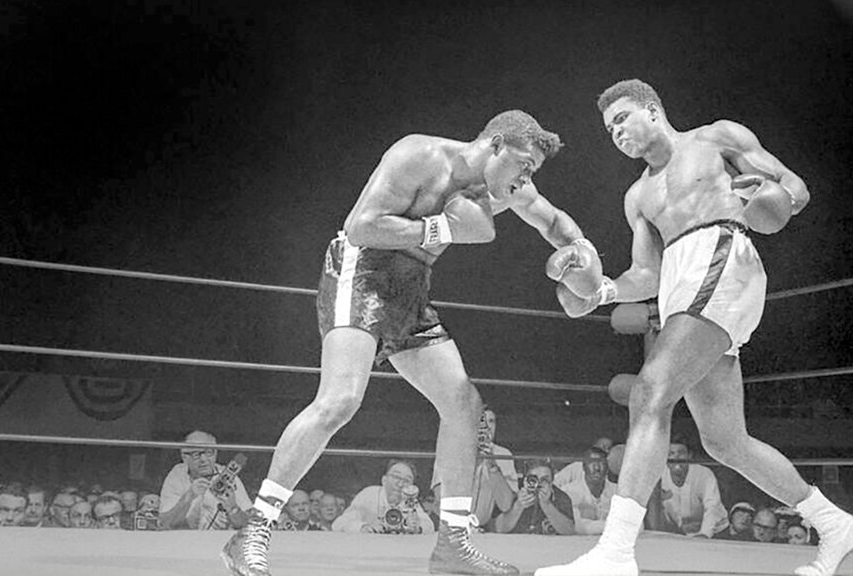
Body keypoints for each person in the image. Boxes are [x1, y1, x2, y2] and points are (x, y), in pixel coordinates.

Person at [223, 109, 598, 576]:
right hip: (363, 273)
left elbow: (553, 221)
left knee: (463, 402)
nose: (525, 178)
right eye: (523, 164)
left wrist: (582, 250)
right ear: (496, 145)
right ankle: (252, 531)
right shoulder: (419, 155)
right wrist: (442, 228)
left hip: (412, 287)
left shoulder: (506, 190)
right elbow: (361, 225)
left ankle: (453, 545)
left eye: (533, 171)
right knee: (340, 400)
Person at [536, 79, 853, 576]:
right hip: (678, 286)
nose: (617, 133)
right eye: (609, 129)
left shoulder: (715, 138)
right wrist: (599, 292)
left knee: (650, 392)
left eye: (622, 118)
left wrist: (770, 198)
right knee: (724, 440)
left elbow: (794, 188)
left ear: (652, 109)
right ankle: (834, 523)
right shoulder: (637, 196)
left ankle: (615, 552)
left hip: (722, 259)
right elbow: (645, 275)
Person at [160, 430, 252, 530]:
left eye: (209, 452)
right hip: (185, 538)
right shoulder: (177, 474)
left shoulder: (229, 477)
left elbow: (250, 525)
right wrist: (189, 496)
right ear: (184, 457)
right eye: (196, 454)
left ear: (216, 453)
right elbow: (165, 523)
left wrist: (233, 509)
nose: (203, 459)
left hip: (218, 538)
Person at [644, 436, 728, 538]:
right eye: (671, 453)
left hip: (715, 531)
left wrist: (704, 534)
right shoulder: (658, 475)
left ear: (689, 456)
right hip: (679, 533)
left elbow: (712, 507)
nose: (676, 458)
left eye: (681, 453)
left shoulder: (704, 475)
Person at [493, 459, 575, 535]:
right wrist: (518, 507)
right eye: (533, 479)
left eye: (544, 480)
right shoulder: (514, 492)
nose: (538, 484)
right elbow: (498, 528)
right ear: (525, 480)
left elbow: (569, 531)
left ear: (552, 481)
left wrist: (547, 505)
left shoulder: (560, 497)